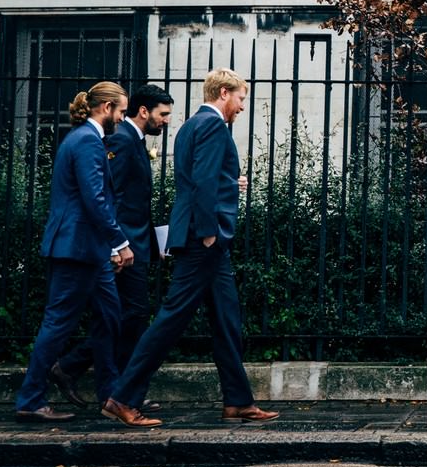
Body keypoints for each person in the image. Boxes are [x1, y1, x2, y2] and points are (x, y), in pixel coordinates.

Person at [102, 69, 278, 427]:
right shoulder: (213, 126)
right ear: (224, 93)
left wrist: (231, 183)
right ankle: (122, 398)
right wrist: (210, 231)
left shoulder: (190, 126)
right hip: (204, 239)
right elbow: (202, 182)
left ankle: (237, 401)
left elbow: (205, 176)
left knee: (226, 319)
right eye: (241, 98)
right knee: (171, 319)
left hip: (202, 237)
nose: (242, 106)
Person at [49, 84, 174, 411]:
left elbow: (135, 202)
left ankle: (111, 388)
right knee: (131, 316)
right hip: (125, 247)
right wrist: (115, 246)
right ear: (144, 111)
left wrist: (153, 242)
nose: (166, 121)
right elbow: (109, 197)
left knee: (121, 316)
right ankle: (91, 376)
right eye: (163, 114)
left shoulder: (134, 140)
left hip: (137, 244)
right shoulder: (121, 140)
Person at [14, 82, 134, 422]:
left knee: (109, 317)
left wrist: (107, 246)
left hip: (89, 249)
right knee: (58, 323)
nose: (122, 119)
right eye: (122, 112)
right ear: (106, 107)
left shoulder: (86, 140)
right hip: (76, 248)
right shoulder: (86, 141)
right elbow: (94, 199)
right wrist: (120, 243)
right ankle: (30, 399)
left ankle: (111, 395)